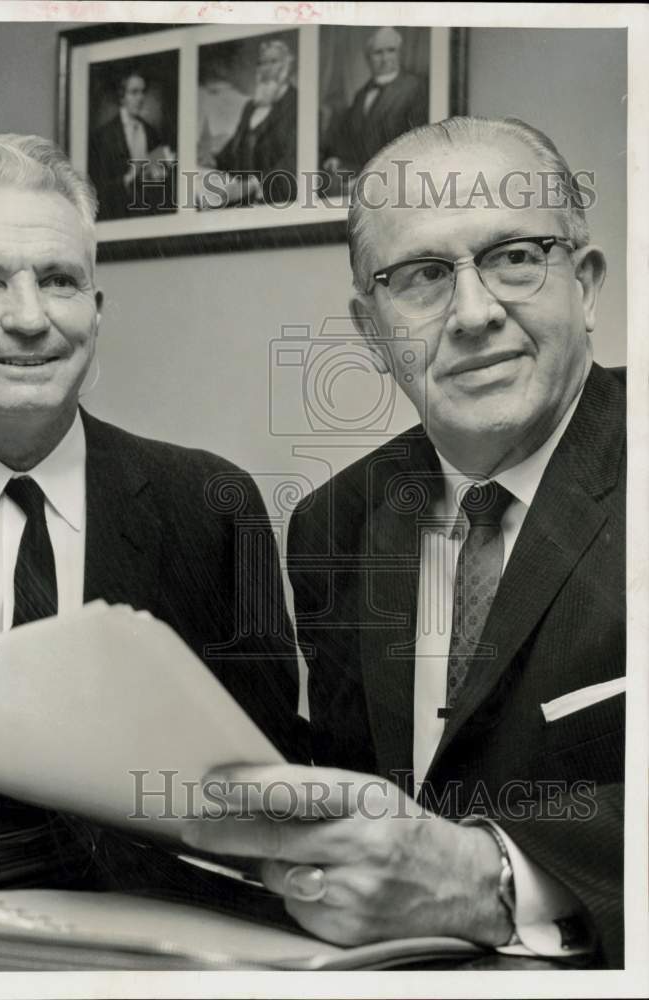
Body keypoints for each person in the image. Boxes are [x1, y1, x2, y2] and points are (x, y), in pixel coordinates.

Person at [182, 117, 625, 969]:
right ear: (371, 327)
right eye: (422, 277)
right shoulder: (330, 524)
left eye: (515, 257)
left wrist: (493, 878)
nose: (471, 313)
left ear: (588, 285)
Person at [0, 133, 305, 807]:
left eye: (58, 280)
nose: (28, 318)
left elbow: (270, 780)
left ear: (95, 313)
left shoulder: (210, 508)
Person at [323, 27, 428, 181]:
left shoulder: (415, 88)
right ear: (368, 58)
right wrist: (338, 158)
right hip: (359, 178)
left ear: (400, 53)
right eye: (378, 53)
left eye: (391, 50)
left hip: (397, 178)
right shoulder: (361, 95)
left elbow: (416, 145)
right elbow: (351, 139)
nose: (385, 58)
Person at [210, 38, 297, 206]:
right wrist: (214, 160)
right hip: (241, 201)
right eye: (261, 63)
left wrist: (254, 185)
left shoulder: (298, 103)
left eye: (273, 61)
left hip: (278, 201)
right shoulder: (250, 107)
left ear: (287, 67)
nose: (266, 69)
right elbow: (236, 146)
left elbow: (293, 158)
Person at [87, 73, 175, 219]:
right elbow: (97, 186)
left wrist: (164, 168)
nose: (140, 98)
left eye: (142, 92)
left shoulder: (151, 131)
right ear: (122, 96)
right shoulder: (104, 135)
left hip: (148, 212)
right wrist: (126, 180)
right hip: (117, 213)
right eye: (134, 92)